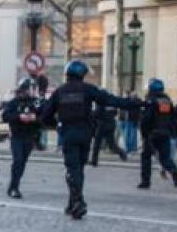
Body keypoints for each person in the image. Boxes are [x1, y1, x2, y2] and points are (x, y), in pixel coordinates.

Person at [40, 60, 139, 219]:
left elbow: (45, 116)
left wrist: (57, 127)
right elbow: (110, 100)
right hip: (85, 134)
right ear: (82, 74)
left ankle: (77, 202)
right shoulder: (88, 89)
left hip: (68, 134)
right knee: (79, 168)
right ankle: (74, 203)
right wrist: (133, 103)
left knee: (73, 170)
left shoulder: (59, 92)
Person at [1, 78, 43, 199]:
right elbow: (5, 116)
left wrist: (35, 118)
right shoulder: (14, 102)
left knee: (22, 162)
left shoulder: (37, 103)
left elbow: (45, 118)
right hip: (17, 136)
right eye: (31, 88)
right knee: (18, 160)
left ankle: (14, 185)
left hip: (30, 136)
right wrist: (19, 117)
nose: (33, 91)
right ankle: (14, 187)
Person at [137, 78, 177, 189]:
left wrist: (144, 133)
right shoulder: (166, 101)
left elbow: (146, 119)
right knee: (165, 158)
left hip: (152, 133)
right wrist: (171, 131)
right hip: (165, 133)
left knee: (146, 157)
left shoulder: (151, 101)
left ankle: (145, 181)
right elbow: (171, 117)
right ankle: (174, 170)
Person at [89, 100, 127, 166]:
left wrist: (92, 114)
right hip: (111, 123)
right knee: (111, 144)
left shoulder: (101, 102)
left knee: (97, 143)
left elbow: (97, 113)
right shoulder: (110, 102)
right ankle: (122, 153)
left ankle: (94, 161)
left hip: (103, 124)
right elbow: (115, 112)